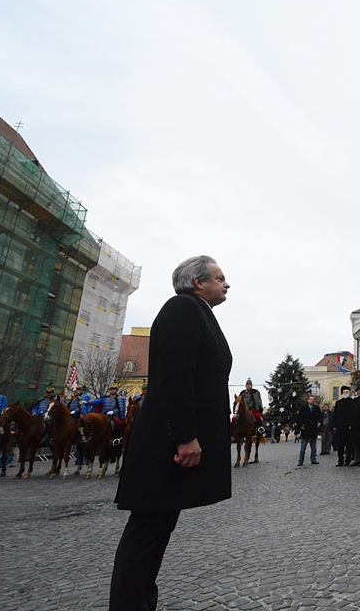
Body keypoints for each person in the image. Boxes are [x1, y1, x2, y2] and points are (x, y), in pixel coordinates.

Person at [111, 255, 232, 611]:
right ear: (198, 282)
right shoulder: (183, 308)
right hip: (165, 444)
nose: (226, 284)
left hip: (171, 442)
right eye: (219, 278)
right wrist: (184, 436)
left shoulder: (197, 311)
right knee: (146, 532)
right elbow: (175, 377)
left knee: (157, 529)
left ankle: (140, 602)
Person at [296, 395, 323, 466]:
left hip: (313, 430)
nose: (312, 400)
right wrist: (301, 425)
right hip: (305, 430)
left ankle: (313, 459)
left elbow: (320, 417)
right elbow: (298, 418)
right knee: (303, 448)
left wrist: (319, 422)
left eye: (313, 399)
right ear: (308, 400)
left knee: (313, 447)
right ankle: (301, 461)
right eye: (310, 399)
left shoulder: (316, 408)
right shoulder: (303, 408)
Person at [332, 387, 352, 467]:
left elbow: (353, 415)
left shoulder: (352, 402)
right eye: (344, 392)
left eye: (347, 392)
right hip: (340, 427)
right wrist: (334, 425)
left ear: (349, 393)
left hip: (349, 427)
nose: (345, 393)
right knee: (340, 445)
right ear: (341, 393)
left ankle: (348, 460)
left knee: (348, 445)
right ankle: (340, 461)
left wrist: (351, 424)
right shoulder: (338, 402)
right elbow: (335, 415)